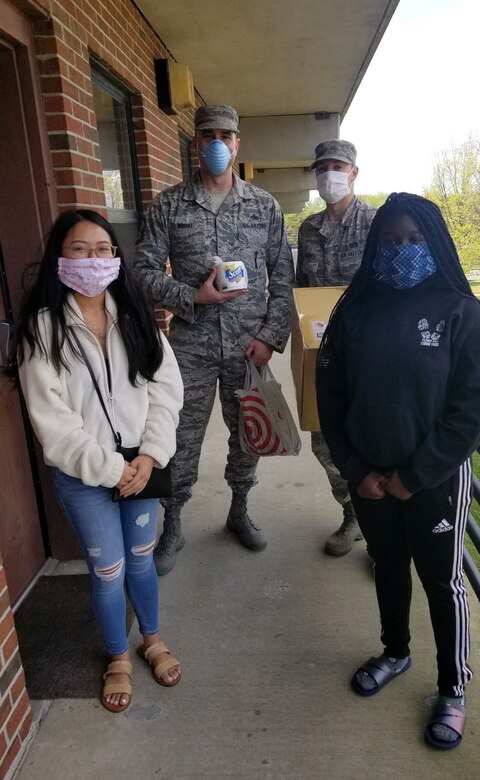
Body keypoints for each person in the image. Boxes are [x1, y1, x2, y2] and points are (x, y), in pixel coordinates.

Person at [316, 193, 480, 750]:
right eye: (391, 241)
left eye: (415, 241)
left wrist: (413, 476)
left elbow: (473, 407)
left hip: (434, 480)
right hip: (369, 477)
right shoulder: (354, 311)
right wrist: (357, 469)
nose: (403, 250)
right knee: (388, 566)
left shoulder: (461, 311)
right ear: (376, 246)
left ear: (435, 244)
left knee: (443, 582)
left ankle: (453, 687)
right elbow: (330, 392)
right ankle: (395, 651)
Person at [10, 210, 184, 713]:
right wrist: (112, 469)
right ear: (59, 258)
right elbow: (53, 422)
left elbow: (166, 392)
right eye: (79, 249)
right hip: (86, 475)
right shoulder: (41, 332)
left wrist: (149, 456)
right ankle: (117, 656)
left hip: (144, 467)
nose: (93, 259)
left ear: (116, 257)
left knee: (141, 559)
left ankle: (150, 639)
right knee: (108, 570)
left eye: (103, 249)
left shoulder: (136, 320)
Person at [133, 104, 294, 574]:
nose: (218, 143)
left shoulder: (263, 206)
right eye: (208, 135)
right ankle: (174, 522)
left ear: (238, 143)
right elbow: (142, 273)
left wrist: (270, 336)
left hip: (250, 347)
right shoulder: (168, 204)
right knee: (178, 438)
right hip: (191, 347)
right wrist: (192, 296)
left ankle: (239, 510)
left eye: (226, 135)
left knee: (249, 435)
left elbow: (283, 277)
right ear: (195, 144)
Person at [296, 139, 376, 556]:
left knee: (375, 439)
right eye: (322, 166)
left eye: (338, 165)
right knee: (325, 442)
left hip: (370, 356)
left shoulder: (378, 223)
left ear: (354, 172)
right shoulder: (309, 230)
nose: (330, 173)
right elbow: (301, 293)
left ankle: (384, 535)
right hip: (324, 356)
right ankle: (352, 513)